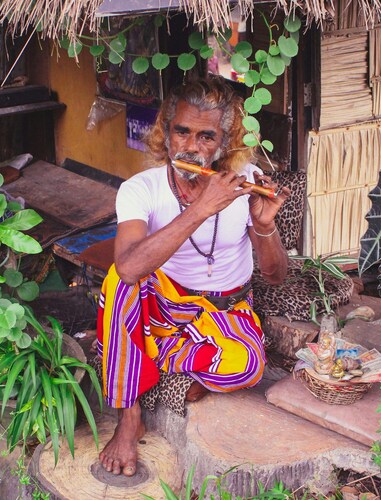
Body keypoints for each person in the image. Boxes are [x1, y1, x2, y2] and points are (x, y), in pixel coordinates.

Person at [96, 77, 291, 476]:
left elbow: (275, 275)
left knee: (247, 366)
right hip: (163, 304)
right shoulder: (140, 188)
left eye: (206, 136)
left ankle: (140, 356)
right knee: (119, 281)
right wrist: (202, 208)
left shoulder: (245, 181)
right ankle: (129, 414)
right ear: (166, 134)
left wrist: (265, 225)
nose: (191, 146)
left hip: (224, 313)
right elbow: (130, 267)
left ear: (224, 142)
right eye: (181, 131)